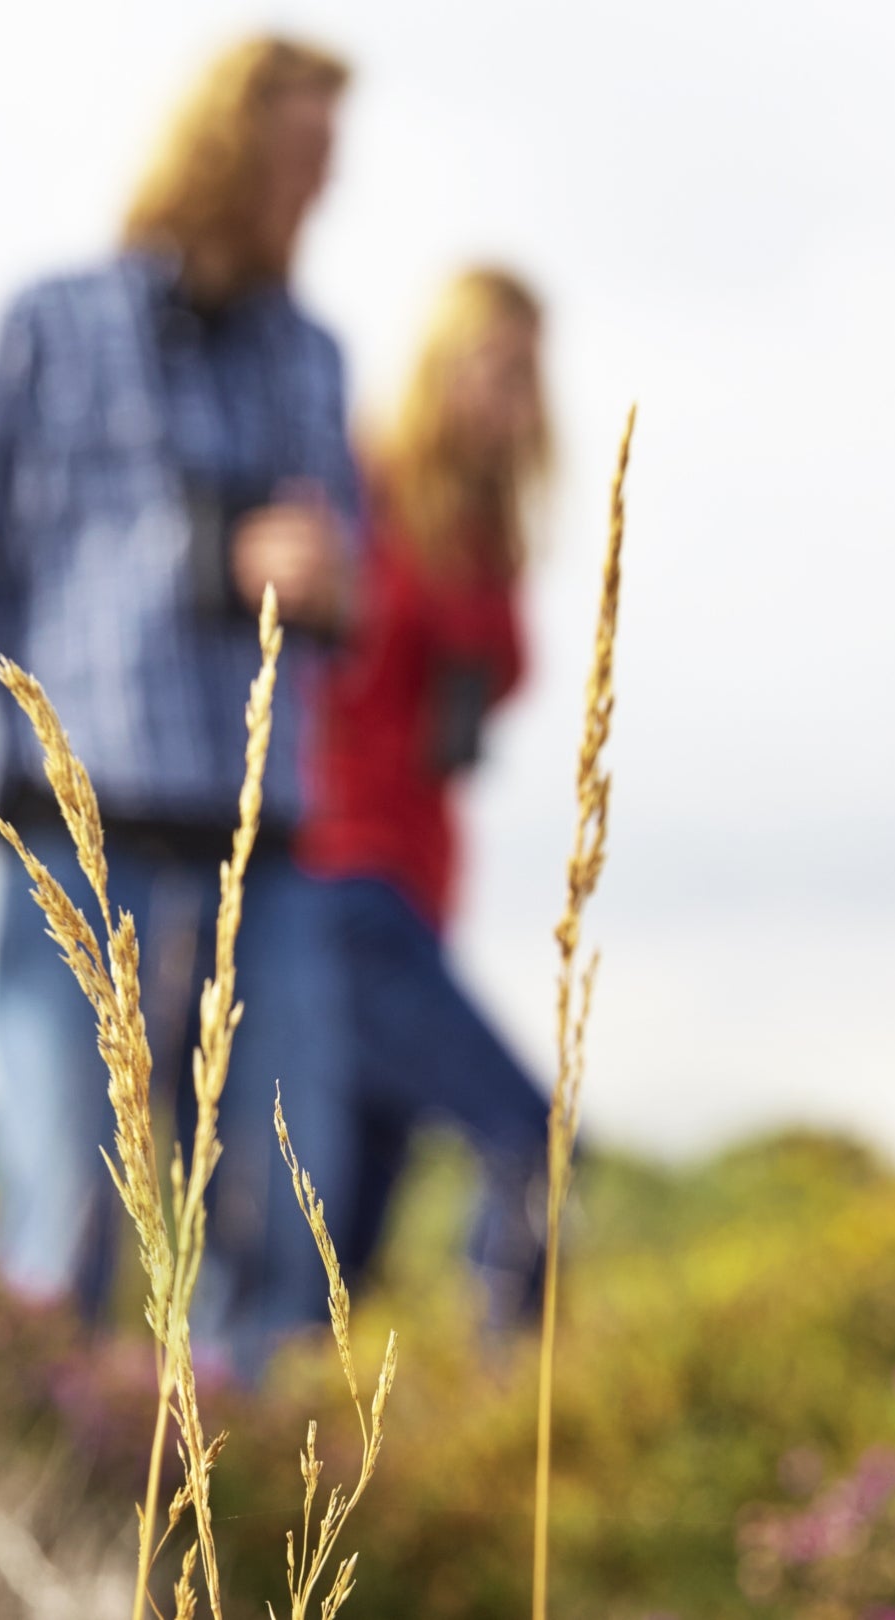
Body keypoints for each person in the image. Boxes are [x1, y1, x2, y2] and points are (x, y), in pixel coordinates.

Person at [0, 36, 362, 1375]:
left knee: (275, 1221)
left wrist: (327, 582)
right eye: (304, 157)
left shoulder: (316, 358)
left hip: (263, 848)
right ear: (230, 144)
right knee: (68, 1216)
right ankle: (54, 1533)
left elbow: (356, 585)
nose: (321, 192)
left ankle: (235, 1533)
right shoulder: (50, 326)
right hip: (75, 827)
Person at [298, 267, 556, 1328]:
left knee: (343, 1241)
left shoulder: (487, 538)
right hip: (340, 880)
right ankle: (515, 1417)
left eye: (525, 373)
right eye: (488, 366)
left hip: (422, 886)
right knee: (526, 1135)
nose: (506, 397)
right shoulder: (364, 486)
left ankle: (288, 1466)